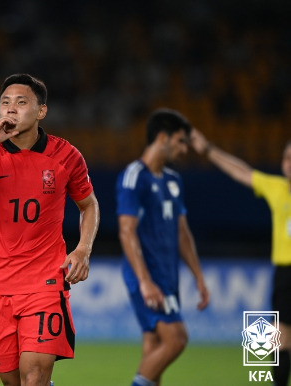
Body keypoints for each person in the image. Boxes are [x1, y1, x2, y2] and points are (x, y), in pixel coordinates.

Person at [0, 73, 100, 386]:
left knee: (34, 377)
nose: (11, 109)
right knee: (12, 381)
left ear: (41, 111)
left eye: (21, 103)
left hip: (45, 282)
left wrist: (83, 249)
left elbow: (89, 205)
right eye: (5, 103)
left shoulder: (66, 156)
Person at [116, 108, 210, 386]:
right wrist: (145, 281)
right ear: (162, 138)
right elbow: (126, 230)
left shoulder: (173, 181)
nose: (185, 149)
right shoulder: (134, 177)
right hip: (147, 276)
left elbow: (182, 233)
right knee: (177, 338)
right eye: (181, 141)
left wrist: (199, 276)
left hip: (168, 277)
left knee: (154, 347)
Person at [190, 129, 291, 386]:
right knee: (280, 338)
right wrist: (208, 149)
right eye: (286, 158)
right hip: (285, 274)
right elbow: (242, 172)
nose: (289, 164)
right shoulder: (278, 188)